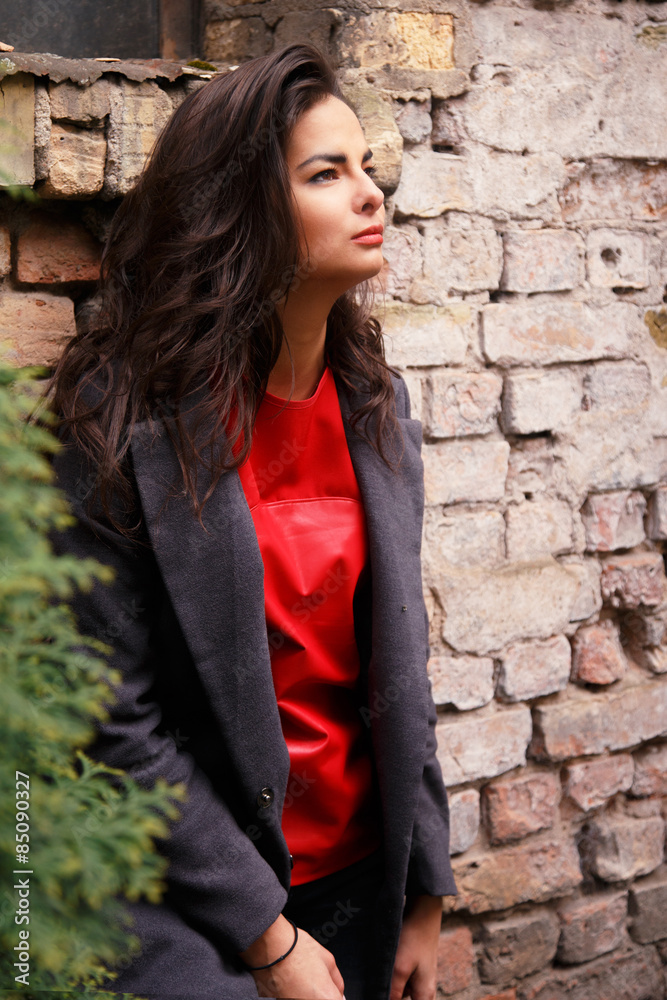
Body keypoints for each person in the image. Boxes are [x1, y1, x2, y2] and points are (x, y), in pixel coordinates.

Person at [47, 42, 457, 1000]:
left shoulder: (374, 408)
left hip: (362, 877)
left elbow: (401, 661)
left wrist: (425, 888)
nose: (369, 195)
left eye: (367, 168)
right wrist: (266, 938)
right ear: (241, 211)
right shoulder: (117, 423)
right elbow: (110, 722)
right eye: (326, 174)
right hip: (200, 898)